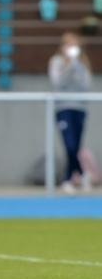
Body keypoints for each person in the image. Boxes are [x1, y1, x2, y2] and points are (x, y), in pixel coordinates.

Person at [48, 31, 92, 194]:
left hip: (79, 108)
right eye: (68, 45)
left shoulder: (83, 63)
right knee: (70, 145)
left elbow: (86, 86)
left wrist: (77, 67)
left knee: (77, 145)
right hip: (63, 108)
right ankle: (79, 175)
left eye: (74, 45)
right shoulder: (56, 62)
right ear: (63, 47)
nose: (72, 48)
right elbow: (57, 83)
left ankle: (74, 177)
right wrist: (69, 67)